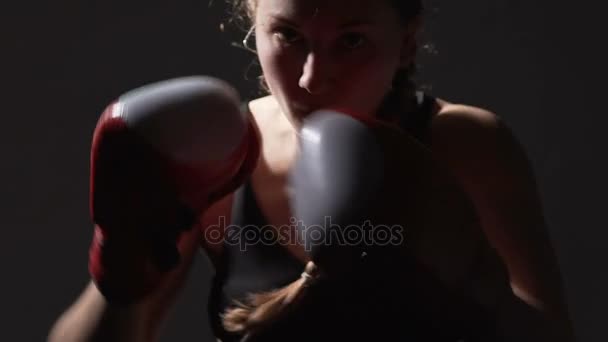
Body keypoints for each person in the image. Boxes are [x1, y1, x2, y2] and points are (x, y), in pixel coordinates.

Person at [48, 0, 576, 341]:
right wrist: (120, 260)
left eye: (351, 40)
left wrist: (464, 281)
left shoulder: (465, 146)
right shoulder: (220, 150)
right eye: (289, 36)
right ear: (252, 20)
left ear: (407, 41)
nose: (311, 78)